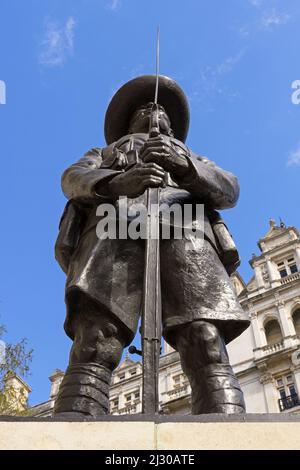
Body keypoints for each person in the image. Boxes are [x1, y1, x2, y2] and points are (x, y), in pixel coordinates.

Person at [53, 75, 250, 418]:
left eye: (161, 108)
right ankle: (75, 427)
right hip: (113, 226)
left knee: (204, 337)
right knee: (97, 337)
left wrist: (186, 168)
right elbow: (73, 179)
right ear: (129, 119)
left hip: (186, 227)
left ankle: (226, 426)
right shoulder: (103, 153)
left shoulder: (192, 156)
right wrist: (117, 181)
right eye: (145, 106)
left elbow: (229, 190)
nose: (154, 109)